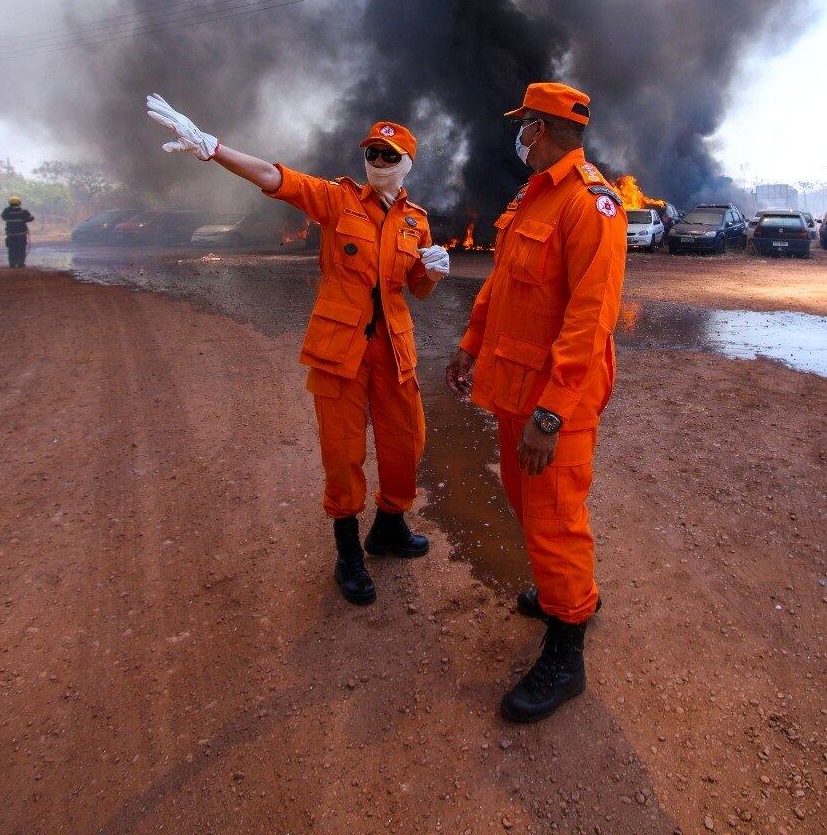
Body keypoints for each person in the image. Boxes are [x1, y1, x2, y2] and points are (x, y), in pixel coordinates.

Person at [146, 93, 450, 606]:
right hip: (340, 350)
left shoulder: (417, 221)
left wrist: (432, 272)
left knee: (407, 442)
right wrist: (213, 147)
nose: (378, 162)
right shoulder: (336, 199)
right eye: (372, 153)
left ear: (407, 165)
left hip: (394, 350)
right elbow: (274, 177)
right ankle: (348, 554)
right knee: (342, 451)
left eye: (389, 156)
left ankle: (390, 527)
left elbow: (414, 288)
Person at [446, 81, 626, 722]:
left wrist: (551, 415)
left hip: (555, 403)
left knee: (554, 520)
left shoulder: (591, 206)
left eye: (523, 125)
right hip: (516, 390)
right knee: (530, 506)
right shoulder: (536, 197)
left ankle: (566, 648)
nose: (518, 135)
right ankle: (562, 593)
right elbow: (499, 285)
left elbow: (588, 322)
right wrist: (470, 345)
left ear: (543, 129)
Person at [0, 196, 34, 268]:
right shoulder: (23, 211)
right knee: (21, 248)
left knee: (11, 249)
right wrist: (25, 220)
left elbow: (3, 217)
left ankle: (12, 263)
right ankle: (20, 263)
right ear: (19, 203)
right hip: (21, 235)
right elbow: (31, 217)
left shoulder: (6, 211)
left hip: (11, 235)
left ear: (10, 203)